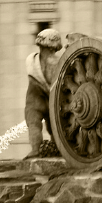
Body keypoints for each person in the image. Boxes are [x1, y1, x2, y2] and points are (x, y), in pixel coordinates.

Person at [23, 29, 64, 158]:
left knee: (51, 125)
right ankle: (37, 148)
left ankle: (47, 148)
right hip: (37, 97)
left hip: (49, 99)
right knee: (34, 121)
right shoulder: (32, 60)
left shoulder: (32, 60)